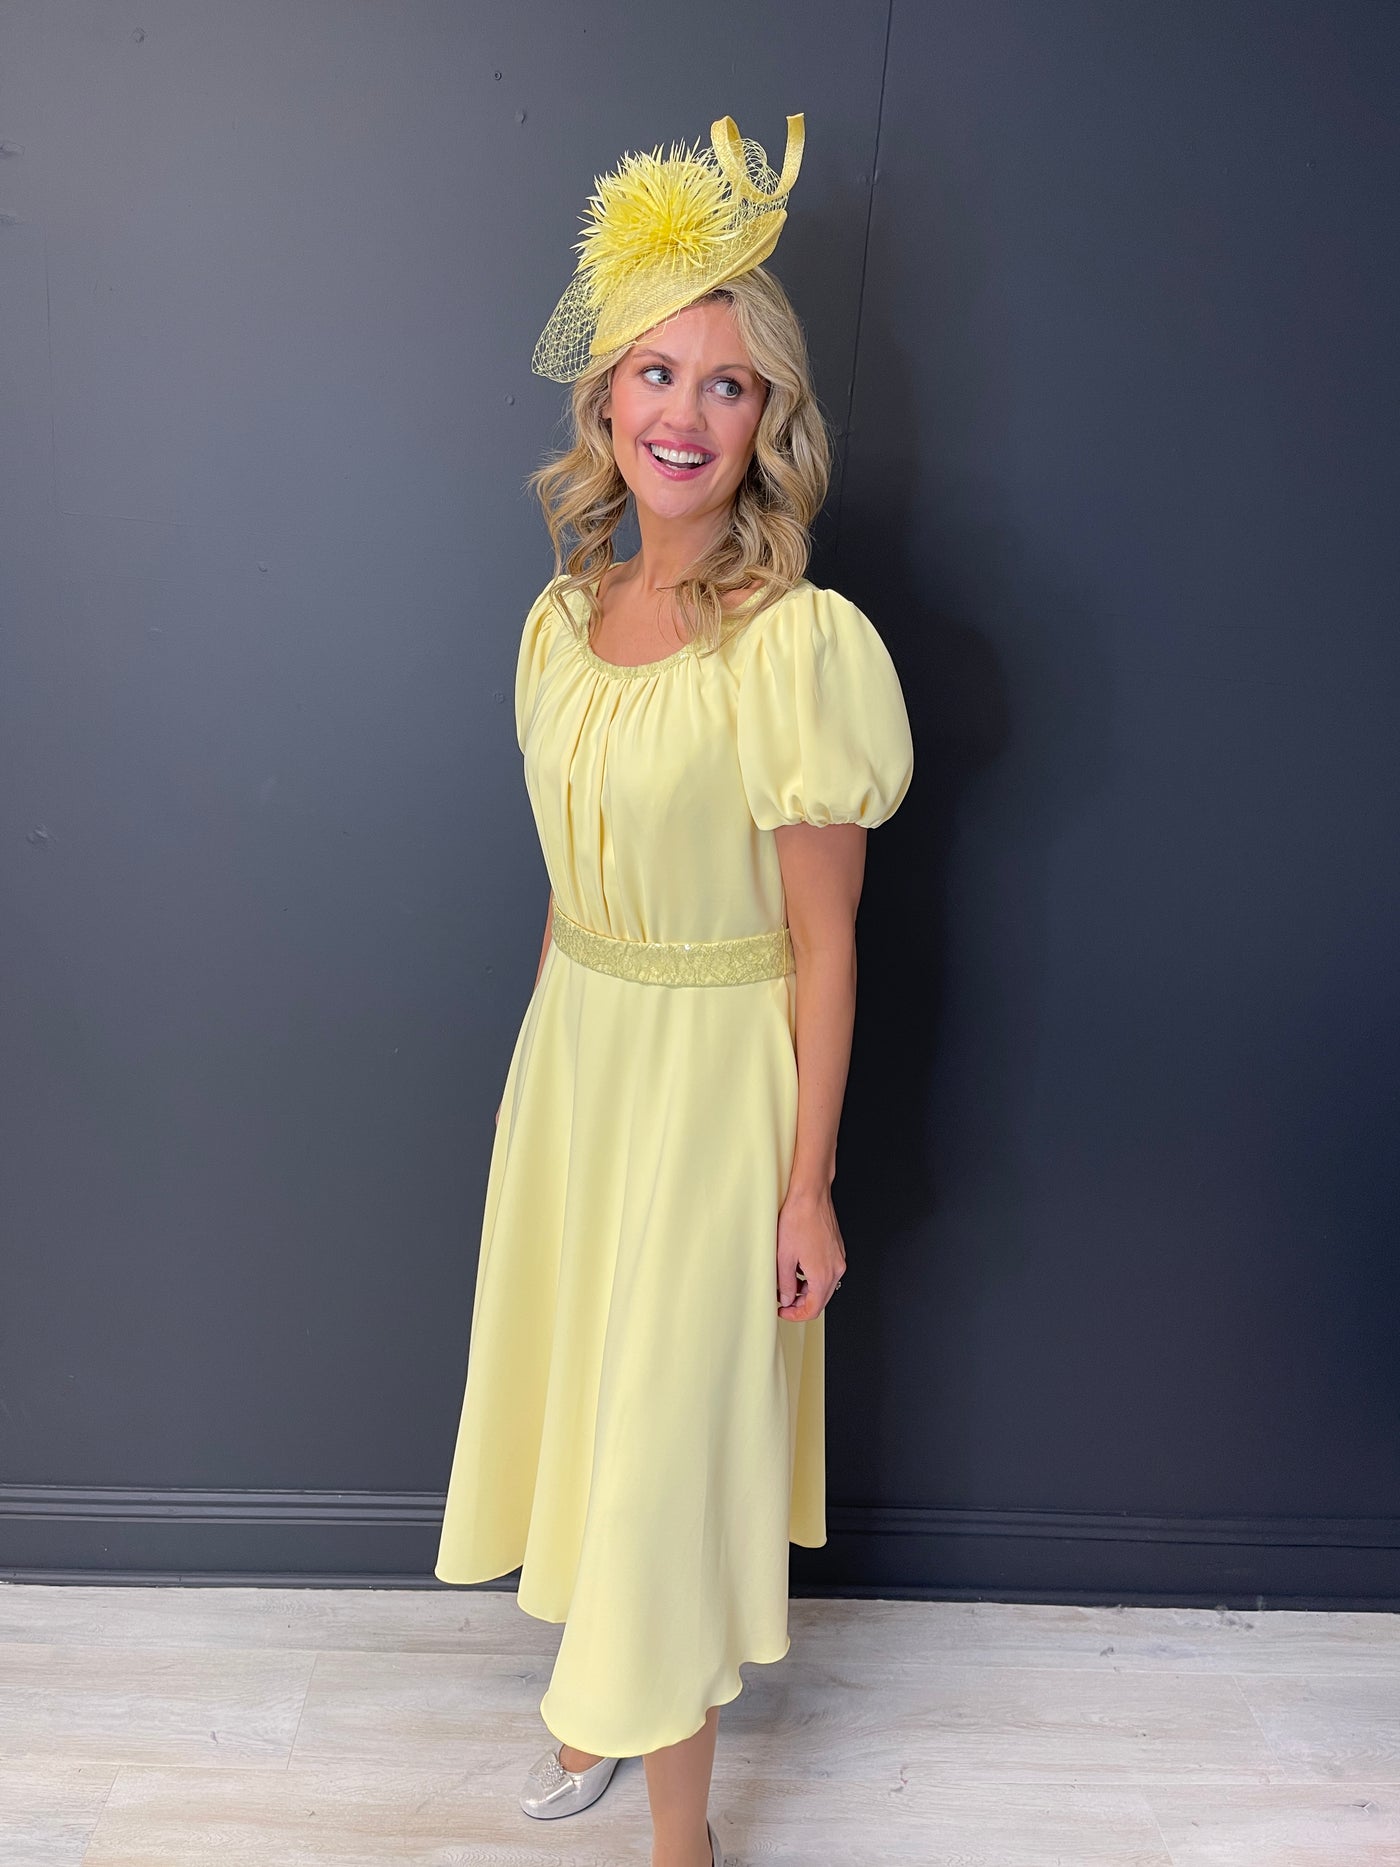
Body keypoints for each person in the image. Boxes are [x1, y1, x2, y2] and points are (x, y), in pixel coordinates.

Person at [434, 112, 914, 1867]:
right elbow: (568, 890)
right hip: (580, 1060)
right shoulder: (558, 622)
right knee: (584, 1394)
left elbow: (829, 938)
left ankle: (682, 1837)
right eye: (654, 373)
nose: (682, 416)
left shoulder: (798, 648)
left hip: (721, 1079)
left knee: (664, 1448)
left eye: (725, 386)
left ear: (768, 420)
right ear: (605, 403)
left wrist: (806, 1183)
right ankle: (587, 1700)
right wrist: (536, 1079)